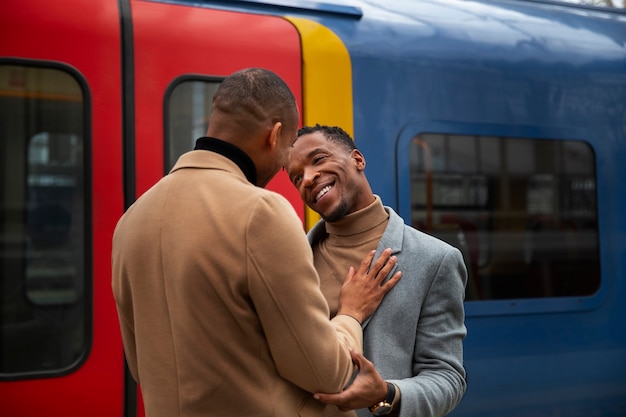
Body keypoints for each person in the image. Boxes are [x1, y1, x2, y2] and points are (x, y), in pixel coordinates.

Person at [111, 69, 401, 417]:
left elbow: (140, 365)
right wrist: (351, 314)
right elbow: (326, 371)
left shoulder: (131, 221)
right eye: (287, 153)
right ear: (275, 135)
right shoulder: (259, 212)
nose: (286, 166)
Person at [286, 125, 468, 417]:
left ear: (358, 159)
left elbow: (447, 378)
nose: (308, 178)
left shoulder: (435, 260)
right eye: (296, 177)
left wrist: (387, 393)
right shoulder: (292, 263)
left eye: (318, 160)